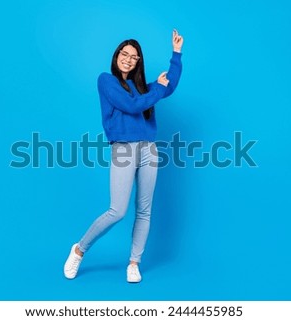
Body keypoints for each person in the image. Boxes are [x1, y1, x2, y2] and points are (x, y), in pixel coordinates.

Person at [64, 29, 184, 283]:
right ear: (117, 55)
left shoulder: (143, 89)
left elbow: (168, 86)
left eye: (134, 56)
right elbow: (132, 106)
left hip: (148, 149)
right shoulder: (106, 81)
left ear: (139, 62)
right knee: (117, 210)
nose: (128, 59)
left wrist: (176, 54)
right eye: (124, 54)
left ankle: (134, 262)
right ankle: (79, 249)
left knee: (144, 210)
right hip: (123, 149)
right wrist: (157, 90)